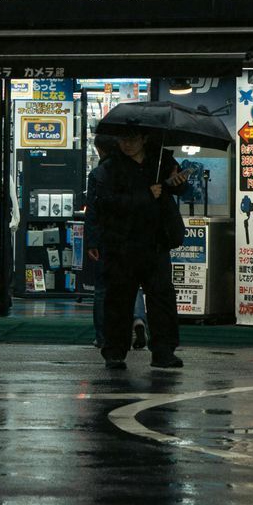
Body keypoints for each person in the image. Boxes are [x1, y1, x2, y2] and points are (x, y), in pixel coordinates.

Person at [87, 131, 185, 371]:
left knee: (161, 298)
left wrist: (177, 184)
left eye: (132, 138)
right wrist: (93, 240)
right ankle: (115, 352)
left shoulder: (162, 161)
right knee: (118, 299)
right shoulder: (108, 169)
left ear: (144, 139)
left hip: (156, 241)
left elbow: (176, 190)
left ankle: (163, 351)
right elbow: (102, 204)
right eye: (122, 139)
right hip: (121, 243)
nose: (127, 143)